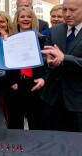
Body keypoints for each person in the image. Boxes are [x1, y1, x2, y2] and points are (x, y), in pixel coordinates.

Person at [41, 0, 82, 132]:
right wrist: (50, 63)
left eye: (72, 10)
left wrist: (64, 58)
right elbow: (44, 58)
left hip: (79, 103)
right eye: (64, 10)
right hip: (53, 100)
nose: (67, 14)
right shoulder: (55, 31)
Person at [6, 7, 47, 130]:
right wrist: (11, 81)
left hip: (35, 84)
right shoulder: (10, 39)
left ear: (33, 19)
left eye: (29, 16)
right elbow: (7, 62)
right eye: (22, 16)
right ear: (17, 20)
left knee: (36, 122)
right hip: (15, 84)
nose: (25, 19)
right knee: (15, 124)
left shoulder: (42, 39)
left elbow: (46, 64)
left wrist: (43, 78)